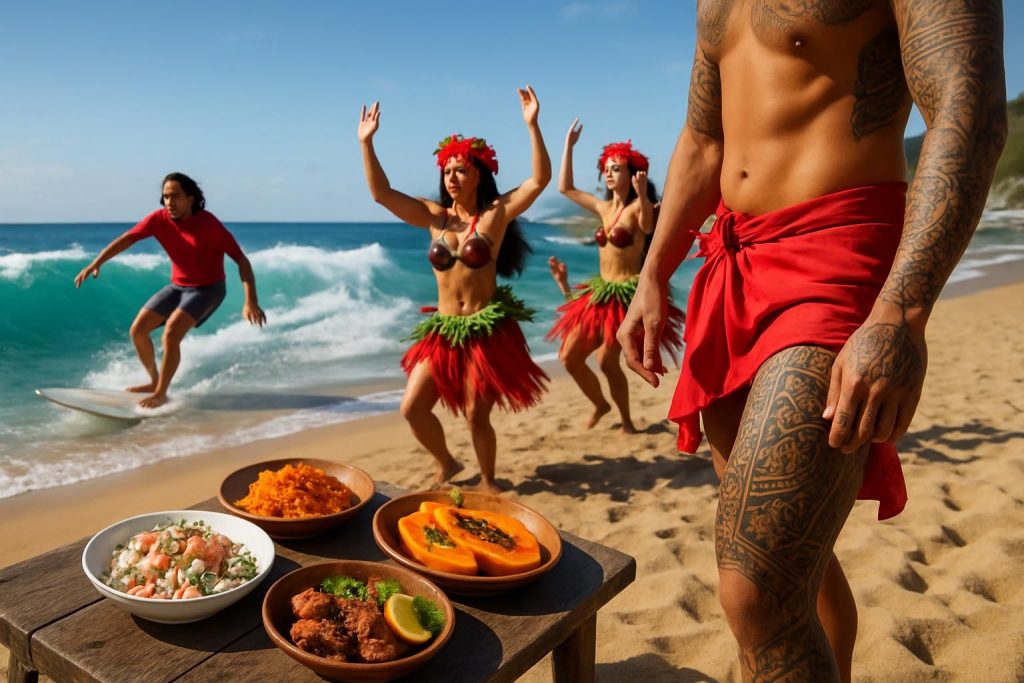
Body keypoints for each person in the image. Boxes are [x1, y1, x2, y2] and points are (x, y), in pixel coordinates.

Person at [617, 2, 1006, 680]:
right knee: (799, 561)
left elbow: (965, 108)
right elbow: (704, 139)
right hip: (733, 266)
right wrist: (653, 271)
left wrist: (903, 310)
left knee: (755, 586)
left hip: (836, 264)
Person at [358, 87, 551, 494]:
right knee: (412, 408)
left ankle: (488, 479)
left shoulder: (495, 216)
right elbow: (381, 195)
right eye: (447, 171)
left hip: (484, 330)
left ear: (479, 173)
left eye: (461, 169)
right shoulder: (435, 218)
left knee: (476, 417)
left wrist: (532, 126)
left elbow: (538, 180)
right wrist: (367, 143)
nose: (452, 177)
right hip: (443, 330)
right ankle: (446, 460)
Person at [75, 173, 266, 408]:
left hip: (208, 290)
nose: (169, 202)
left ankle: (162, 393)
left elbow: (242, 261)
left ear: (191, 198)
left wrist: (250, 302)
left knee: (171, 333)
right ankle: (154, 381)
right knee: (138, 330)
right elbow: (128, 239)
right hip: (178, 286)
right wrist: (97, 262)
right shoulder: (159, 219)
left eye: (175, 196)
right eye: (165, 197)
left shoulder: (209, 224)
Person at [547, 122, 684, 433]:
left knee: (609, 361)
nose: (608, 174)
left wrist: (641, 193)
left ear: (631, 172)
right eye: (605, 169)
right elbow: (565, 188)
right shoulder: (603, 207)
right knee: (569, 357)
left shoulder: (639, 207)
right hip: (601, 294)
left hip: (628, 295)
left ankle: (626, 421)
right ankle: (601, 404)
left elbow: (648, 228)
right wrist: (568, 145)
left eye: (616, 168)